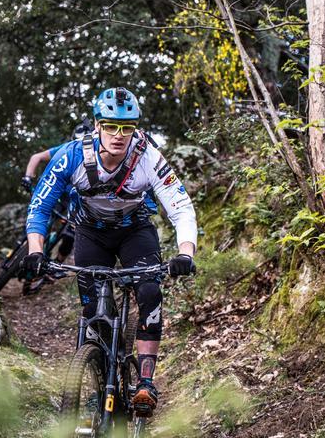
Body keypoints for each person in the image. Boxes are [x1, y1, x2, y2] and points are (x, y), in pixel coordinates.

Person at [21, 87, 197, 414]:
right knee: (93, 312)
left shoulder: (149, 158)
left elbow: (180, 206)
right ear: (97, 125)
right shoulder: (72, 155)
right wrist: (36, 251)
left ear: (136, 129)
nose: (119, 135)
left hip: (135, 232)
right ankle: (99, 376)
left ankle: (145, 381)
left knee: (148, 293)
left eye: (126, 128)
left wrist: (185, 252)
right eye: (111, 126)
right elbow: (40, 206)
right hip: (91, 234)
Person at [19, 119, 92, 263]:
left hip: (77, 201)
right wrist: (28, 177)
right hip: (58, 195)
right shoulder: (68, 149)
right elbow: (37, 157)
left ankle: (57, 264)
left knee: (70, 235)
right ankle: (30, 249)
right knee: (38, 218)